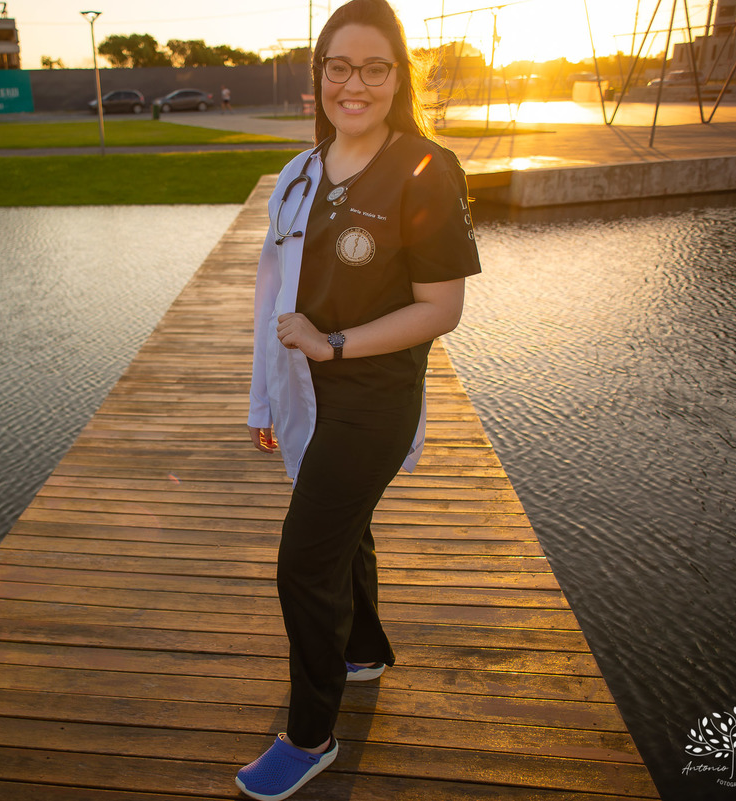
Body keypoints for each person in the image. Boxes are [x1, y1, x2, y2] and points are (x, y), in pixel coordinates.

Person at [237, 1, 481, 799]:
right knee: (346, 524)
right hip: (305, 388)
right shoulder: (300, 173)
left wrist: (335, 344)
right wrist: (262, 399)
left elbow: (440, 309)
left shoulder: (425, 169)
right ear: (318, 78)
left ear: (399, 77)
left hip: (372, 397)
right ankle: (365, 648)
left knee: (304, 560)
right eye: (339, 66)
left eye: (375, 67)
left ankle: (311, 734)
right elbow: (274, 288)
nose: (355, 83)